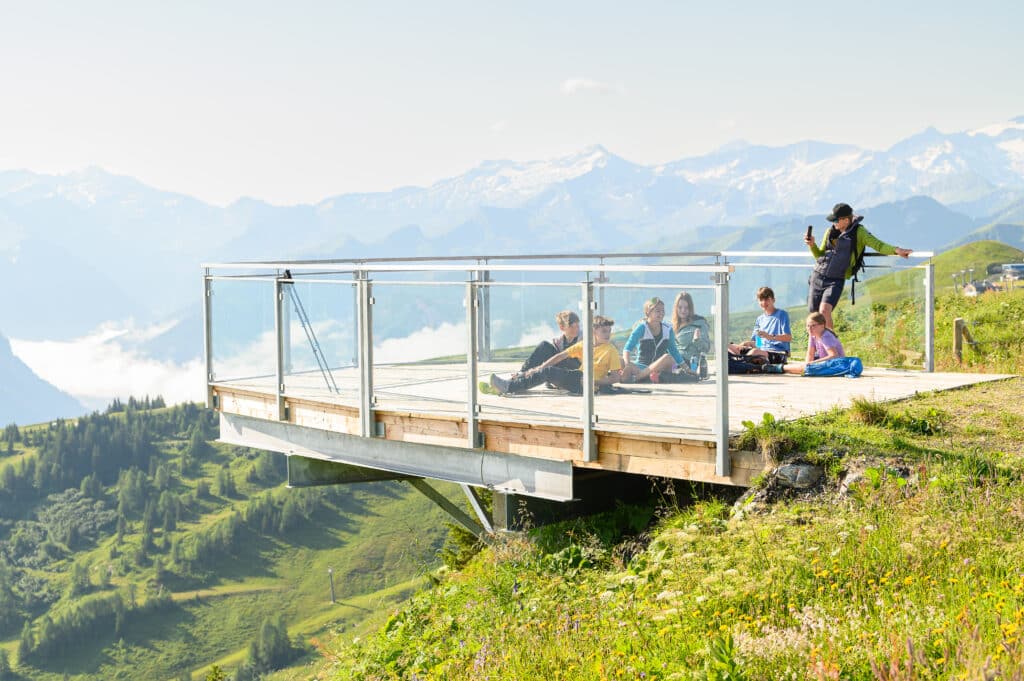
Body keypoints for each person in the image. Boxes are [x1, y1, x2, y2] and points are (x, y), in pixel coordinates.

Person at [805, 202, 913, 330]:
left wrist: (897, 250)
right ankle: (816, 348)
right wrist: (812, 245)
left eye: (835, 220)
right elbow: (820, 255)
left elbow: (879, 245)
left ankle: (832, 347)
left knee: (824, 311)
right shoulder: (829, 232)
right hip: (817, 276)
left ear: (846, 219)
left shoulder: (859, 232)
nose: (833, 223)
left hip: (836, 279)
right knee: (813, 315)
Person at [488, 315, 622, 395]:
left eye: (609, 331)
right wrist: (537, 368)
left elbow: (615, 377)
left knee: (548, 372)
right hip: (577, 377)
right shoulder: (585, 344)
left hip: (584, 384)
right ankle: (511, 382)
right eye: (604, 331)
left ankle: (508, 387)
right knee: (544, 370)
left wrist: (593, 382)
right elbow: (560, 356)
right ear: (594, 331)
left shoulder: (611, 350)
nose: (608, 334)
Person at [621, 297, 686, 383]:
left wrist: (687, 368)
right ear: (648, 312)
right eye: (658, 311)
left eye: (663, 311)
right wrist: (627, 364)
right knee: (619, 360)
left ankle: (637, 377)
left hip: (660, 368)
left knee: (668, 358)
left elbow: (674, 351)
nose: (661, 313)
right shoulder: (641, 328)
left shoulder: (668, 329)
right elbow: (627, 349)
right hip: (641, 366)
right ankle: (646, 377)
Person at [780, 312, 863, 377]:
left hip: (837, 364)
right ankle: (778, 368)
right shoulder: (813, 335)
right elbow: (810, 354)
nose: (809, 328)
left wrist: (812, 363)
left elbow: (833, 355)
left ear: (822, 325)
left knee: (806, 368)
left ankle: (777, 368)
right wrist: (807, 364)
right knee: (805, 367)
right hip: (826, 362)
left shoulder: (826, 336)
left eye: (813, 325)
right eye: (807, 326)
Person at [727, 286, 791, 367]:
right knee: (727, 345)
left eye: (767, 299)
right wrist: (747, 343)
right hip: (760, 351)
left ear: (773, 300)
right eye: (761, 300)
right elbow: (759, 344)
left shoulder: (782, 315)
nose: (764, 302)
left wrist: (770, 337)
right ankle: (742, 362)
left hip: (777, 354)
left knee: (754, 352)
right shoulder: (760, 319)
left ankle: (740, 363)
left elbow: (788, 337)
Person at [513, 310, 581, 377]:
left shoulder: (584, 339)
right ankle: (523, 372)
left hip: (577, 370)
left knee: (565, 357)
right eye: (571, 327)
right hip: (562, 368)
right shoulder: (558, 342)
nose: (576, 329)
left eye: (577, 326)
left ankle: (552, 377)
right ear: (562, 328)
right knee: (544, 345)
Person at [671, 291, 710, 378]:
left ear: (690, 308)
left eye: (686, 308)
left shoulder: (699, 323)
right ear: (676, 308)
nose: (683, 311)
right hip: (672, 361)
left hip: (688, 362)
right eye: (680, 307)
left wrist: (697, 340)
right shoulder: (673, 326)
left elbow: (706, 348)